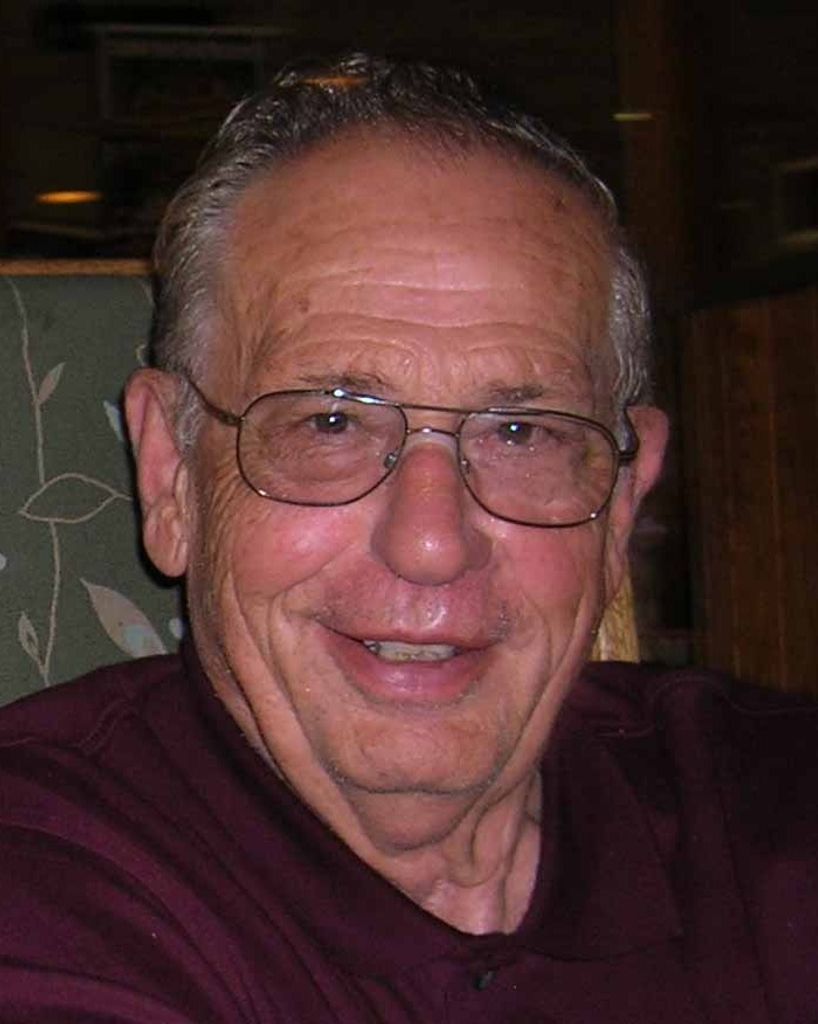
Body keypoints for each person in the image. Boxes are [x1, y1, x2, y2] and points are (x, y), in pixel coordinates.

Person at [1, 53, 816, 1024]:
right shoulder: (44, 884)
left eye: (520, 433)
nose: (431, 544)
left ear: (623, 499)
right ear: (171, 473)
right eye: (330, 423)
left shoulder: (772, 816)